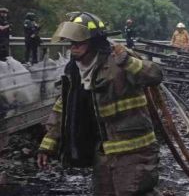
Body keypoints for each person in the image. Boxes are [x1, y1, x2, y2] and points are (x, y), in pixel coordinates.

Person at [37, 12, 163, 195]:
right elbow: (63, 108)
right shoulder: (74, 70)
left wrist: (129, 62)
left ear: (94, 42)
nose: (73, 48)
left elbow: (155, 75)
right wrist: (48, 145)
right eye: (71, 43)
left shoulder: (118, 60)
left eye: (78, 43)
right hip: (103, 153)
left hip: (134, 151)